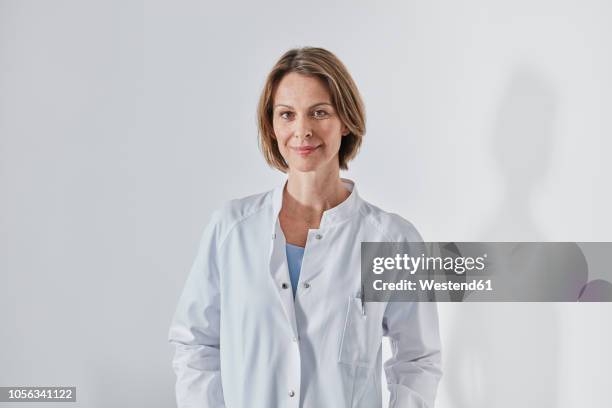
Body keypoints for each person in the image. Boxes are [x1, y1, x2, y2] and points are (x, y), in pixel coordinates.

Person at [168, 46, 442, 407]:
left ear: (346, 120)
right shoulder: (231, 229)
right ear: (272, 125)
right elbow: (195, 343)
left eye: (319, 112)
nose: (302, 130)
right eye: (287, 114)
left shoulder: (391, 240)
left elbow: (417, 360)